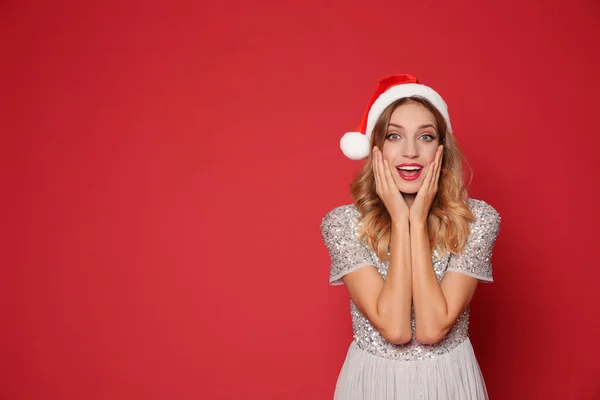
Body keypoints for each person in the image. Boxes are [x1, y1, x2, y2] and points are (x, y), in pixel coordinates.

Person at [320, 74, 501, 400]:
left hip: (448, 381)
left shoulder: (477, 220)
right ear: (376, 149)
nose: (411, 151)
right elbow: (395, 329)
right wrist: (401, 219)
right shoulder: (343, 224)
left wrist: (416, 221)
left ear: (441, 151)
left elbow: (432, 330)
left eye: (426, 137)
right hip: (373, 384)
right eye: (394, 136)